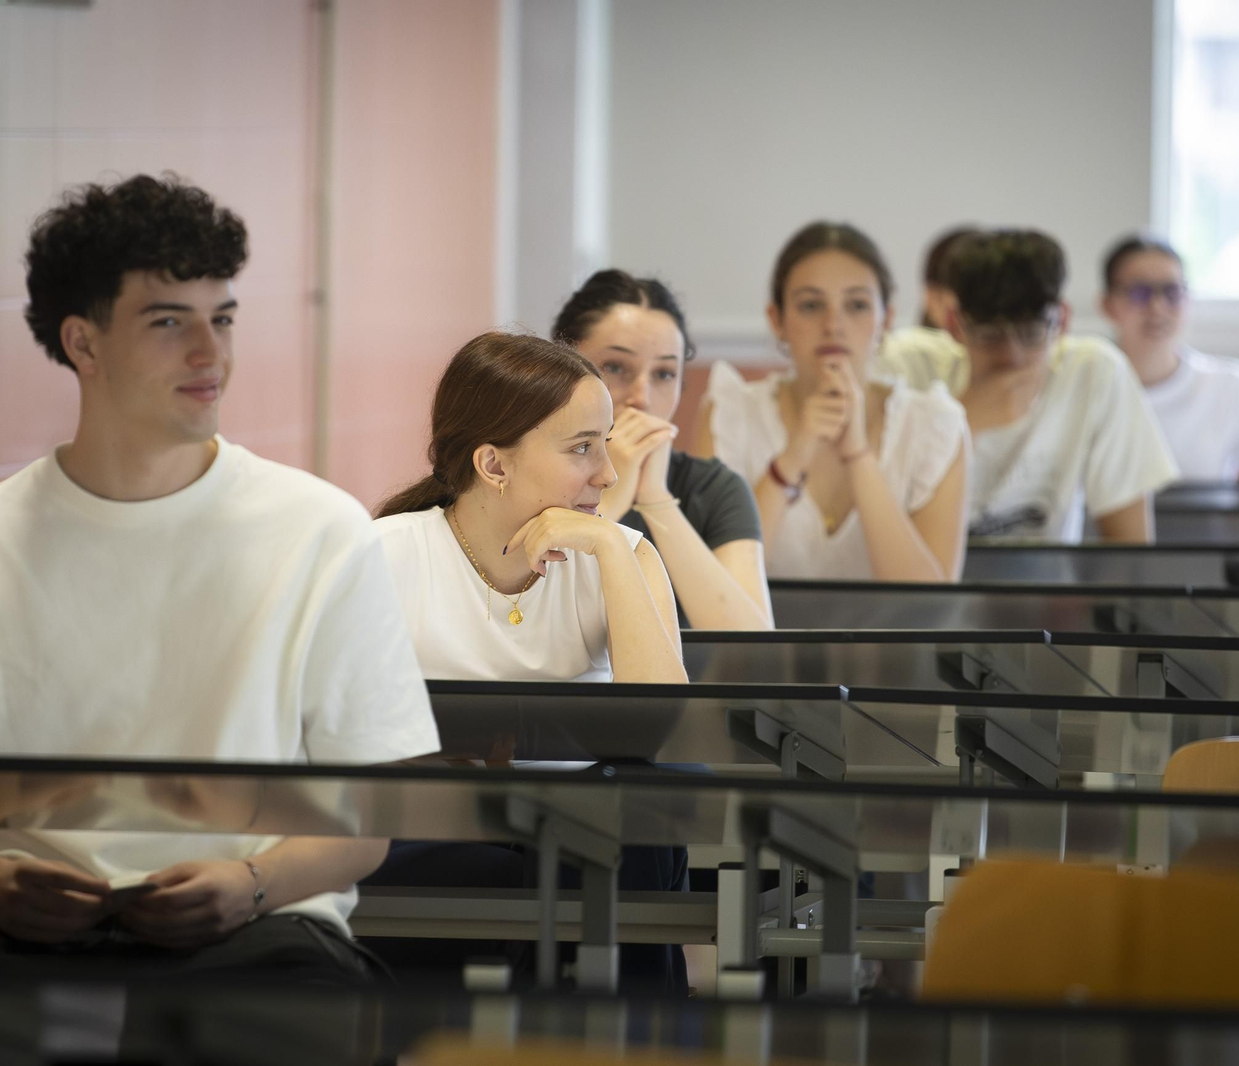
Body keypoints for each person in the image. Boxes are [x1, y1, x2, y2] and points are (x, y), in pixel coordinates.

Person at [0, 175, 438, 984]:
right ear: (83, 343)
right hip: (7, 934)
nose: (210, 353)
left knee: (298, 1009)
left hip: (255, 932)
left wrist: (248, 884)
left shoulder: (323, 535)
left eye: (221, 318)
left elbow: (366, 822)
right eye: (167, 322)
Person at [367, 331, 689, 992]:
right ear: (493, 464)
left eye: (605, 444)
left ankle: (615, 1043)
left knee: (628, 824)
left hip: (586, 831)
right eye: (581, 449)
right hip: (435, 828)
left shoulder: (623, 557)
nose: (606, 472)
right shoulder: (382, 556)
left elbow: (667, 731)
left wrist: (608, 549)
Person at [695, 221, 970, 581]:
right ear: (777, 320)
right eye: (810, 305)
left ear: (885, 319)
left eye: (856, 305)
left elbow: (930, 604)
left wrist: (858, 456)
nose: (833, 324)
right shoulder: (729, 415)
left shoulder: (934, 426)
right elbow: (708, 585)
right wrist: (794, 456)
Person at [881, 228, 1178, 543]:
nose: (1012, 356)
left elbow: (1130, 549)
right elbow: (871, 526)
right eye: (990, 334)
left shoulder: (1095, 373)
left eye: (1032, 333)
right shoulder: (907, 367)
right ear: (954, 325)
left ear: (1062, 321)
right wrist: (960, 418)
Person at [552, 269, 771, 629]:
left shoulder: (716, 489)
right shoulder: (527, 476)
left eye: (665, 373)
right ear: (559, 368)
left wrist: (655, 499)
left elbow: (752, 655)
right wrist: (610, 494)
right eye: (616, 367)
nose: (643, 397)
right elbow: (531, 619)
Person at [1100, 234, 1239, 483]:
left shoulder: (1230, 384)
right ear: (1107, 304)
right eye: (1139, 293)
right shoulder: (1085, 385)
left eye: (1172, 292)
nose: (1157, 307)